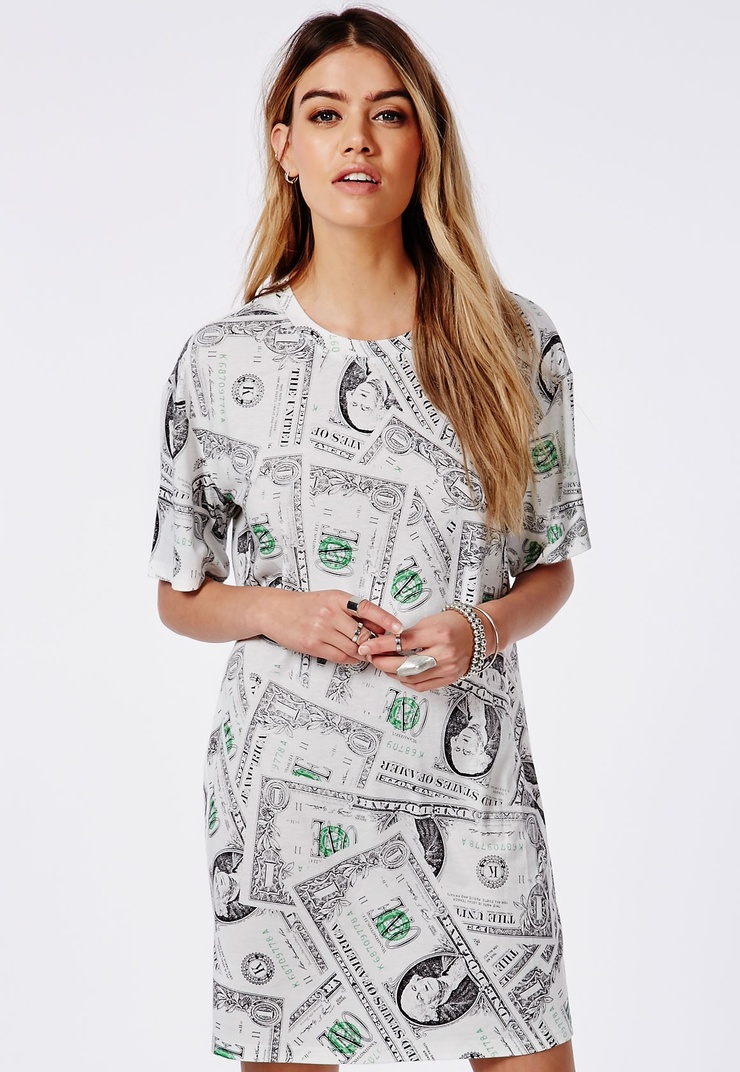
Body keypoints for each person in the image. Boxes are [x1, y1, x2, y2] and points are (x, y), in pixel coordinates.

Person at [148, 8, 592, 1072]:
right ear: (285, 146)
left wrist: (479, 629)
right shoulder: (222, 360)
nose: (357, 139)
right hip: (287, 796)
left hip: (474, 791)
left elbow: (552, 564)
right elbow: (177, 592)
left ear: (422, 142)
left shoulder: (512, 341)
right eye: (325, 114)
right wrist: (278, 611)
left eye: (388, 115)